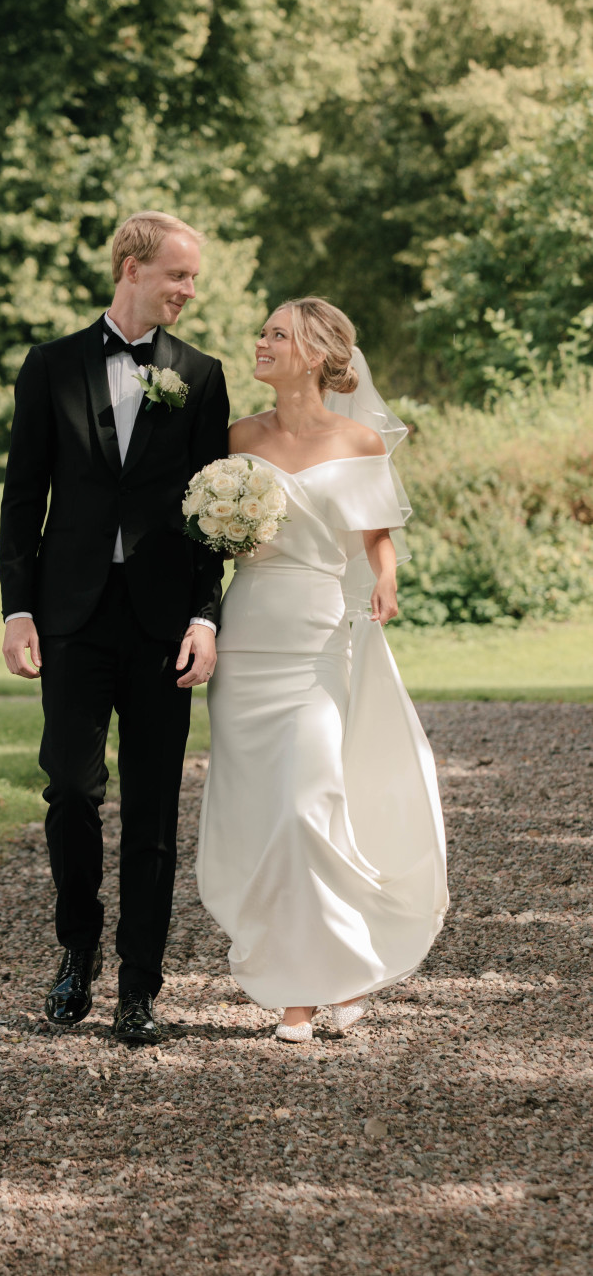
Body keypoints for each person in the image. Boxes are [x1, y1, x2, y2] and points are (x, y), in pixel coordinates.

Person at [0, 211, 230, 1044]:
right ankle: (76, 955)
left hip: (165, 624)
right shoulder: (51, 366)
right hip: (72, 618)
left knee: (154, 806)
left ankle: (140, 988)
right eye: (179, 275)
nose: (189, 291)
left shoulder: (202, 376)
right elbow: (24, 497)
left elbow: (213, 515)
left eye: (193, 277)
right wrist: (17, 607)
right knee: (70, 786)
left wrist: (207, 616)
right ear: (131, 267)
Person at [196, 297, 448, 1042]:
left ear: (313, 353)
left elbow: (377, 535)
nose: (261, 341)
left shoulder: (360, 439)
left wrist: (386, 577)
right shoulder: (236, 437)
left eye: (277, 334)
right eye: (264, 331)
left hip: (317, 637)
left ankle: (309, 990)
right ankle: (318, 975)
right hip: (247, 639)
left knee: (311, 803)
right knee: (263, 813)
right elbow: (206, 541)